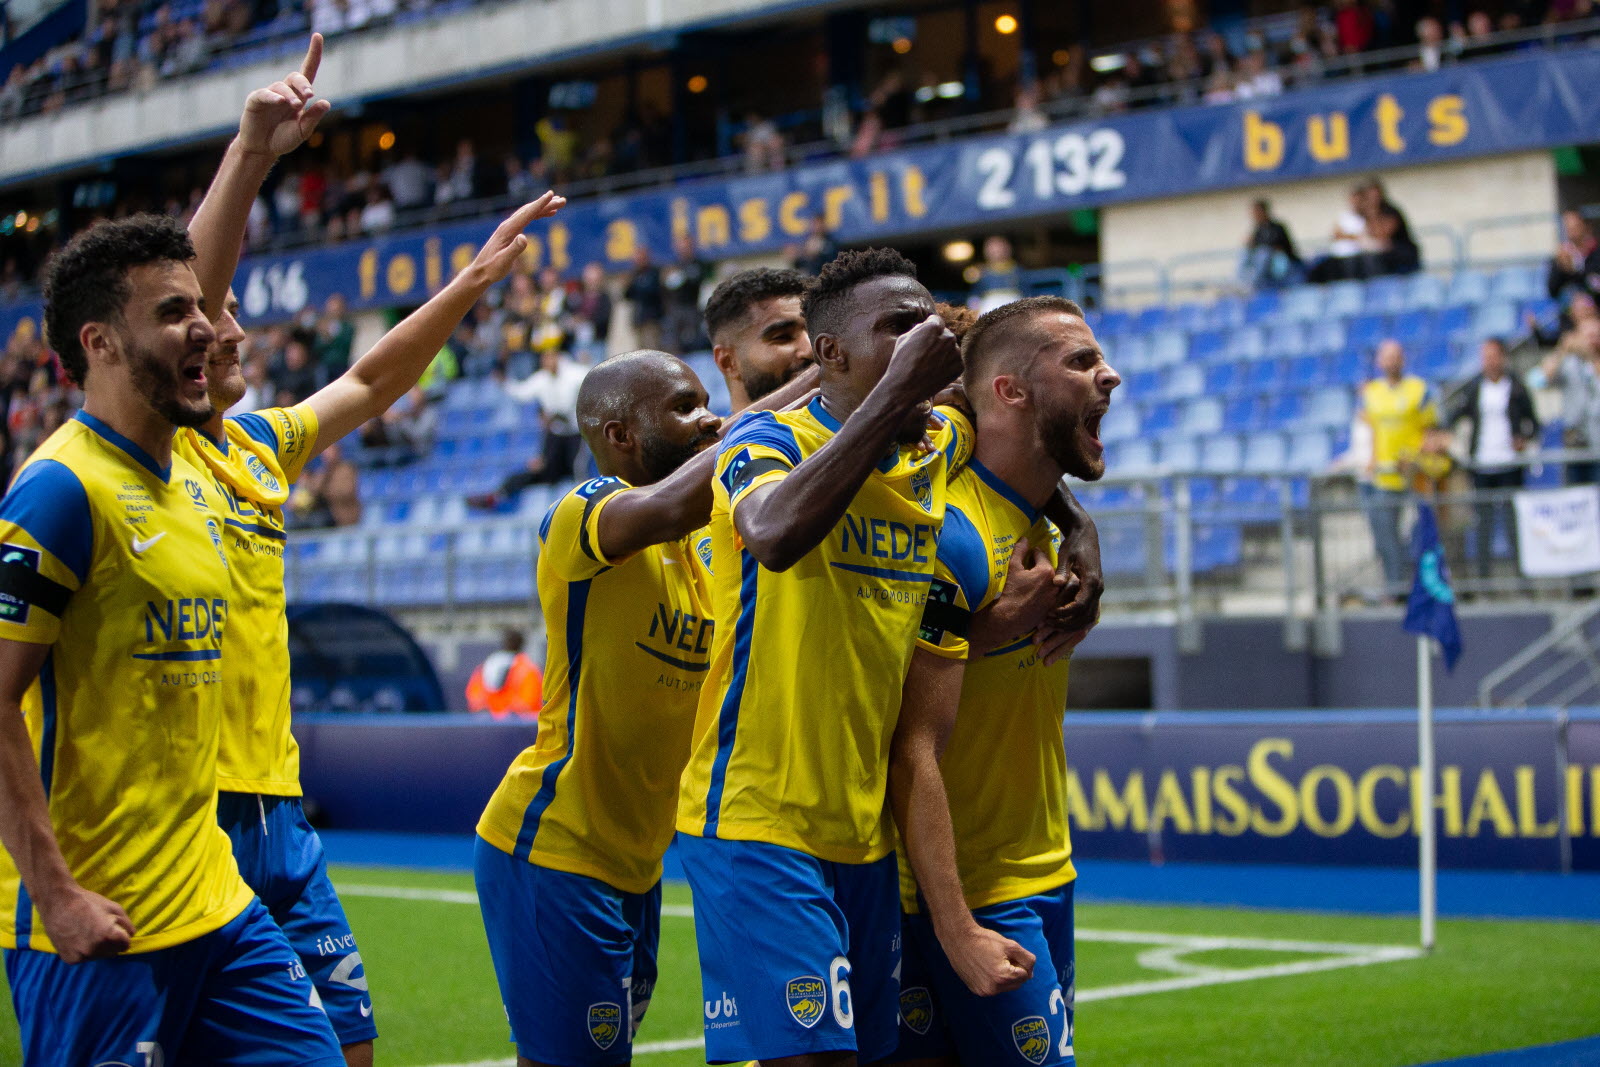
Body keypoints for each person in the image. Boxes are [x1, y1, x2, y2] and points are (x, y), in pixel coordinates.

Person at [674, 249, 1099, 1065]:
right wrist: (900, 390)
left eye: (927, 322)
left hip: (865, 834)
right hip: (757, 815)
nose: (923, 338)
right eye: (898, 328)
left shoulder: (936, 438)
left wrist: (1079, 527)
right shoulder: (765, 440)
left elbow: (1032, 447)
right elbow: (772, 534)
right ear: (832, 356)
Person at [0, 212, 346, 1065]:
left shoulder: (195, 492)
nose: (205, 326)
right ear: (101, 344)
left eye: (202, 304)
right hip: (100, 925)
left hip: (218, 905)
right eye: (172, 312)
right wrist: (56, 893)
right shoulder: (59, 492)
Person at [474, 349, 818, 1065]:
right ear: (620, 434)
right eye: (683, 407)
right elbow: (671, 500)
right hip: (555, 848)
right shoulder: (582, 515)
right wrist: (829, 385)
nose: (710, 418)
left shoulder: (704, 542)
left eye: (706, 401)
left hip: (636, 866)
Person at [889, 295, 1116, 1067]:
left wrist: (1081, 526)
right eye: (1081, 361)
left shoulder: (1048, 527)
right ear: (1010, 391)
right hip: (971, 892)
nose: (1109, 375)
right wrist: (955, 924)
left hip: (1046, 866)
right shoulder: (946, 532)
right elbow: (906, 740)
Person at [1446, 337, 1540, 579]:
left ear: (1503, 357)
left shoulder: (1516, 387)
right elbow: (1454, 415)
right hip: (1482, 465)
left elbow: (1534, 423)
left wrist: (1523, 438)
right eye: (1484, 356)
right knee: (1483, 525)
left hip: (1509, 464)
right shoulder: (1475, 388)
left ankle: (1522, 578)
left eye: (1492, 356)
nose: (1488, 361)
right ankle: (1483, 580)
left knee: (1512, 525)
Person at [1360, 340, 1438, 597]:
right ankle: (1395, 589)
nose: (1391, 361)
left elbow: (1432, 431)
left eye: (1396, 356)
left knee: (1422, 533)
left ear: (1403, 359)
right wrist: (1371, 460)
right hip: (1385, 478)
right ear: (1379, 362)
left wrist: (1419, 458)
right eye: (1386, 357)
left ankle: (1423, 585)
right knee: (1385, 537)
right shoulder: (1371, 393)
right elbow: (1371, 431)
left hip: (1415, 476)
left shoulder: (1419, 389)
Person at [468, 348, 591, 510]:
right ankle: (495, 497)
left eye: (551, 357)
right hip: (556, 434)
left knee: (578, 468)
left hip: (576, 433)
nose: (548, 362)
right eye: (545, 359)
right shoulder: (541, 379)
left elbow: (592, 378)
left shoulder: (574, 374)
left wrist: (588, 362)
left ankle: (587, 505)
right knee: (537, 470)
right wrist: (504, 382)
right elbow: (521, 392)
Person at [704, 266, 813, 415]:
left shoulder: (847, 427)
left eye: (815, 333)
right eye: (782, 337)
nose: (811, 349)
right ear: (728, 362)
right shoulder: (728, 438)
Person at [465, 627, 542, 718]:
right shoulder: (530, 669)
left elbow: (529, 704)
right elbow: (476, 699)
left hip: (516, 725)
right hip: (498, 724)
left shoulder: (486, 666)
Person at [662, 234, 711, 352]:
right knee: (672, 342)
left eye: (686, 246)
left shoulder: (699, 264)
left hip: (692, 308)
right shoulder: (674, 265)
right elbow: (667, 287)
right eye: (681, 246)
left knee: (692, 340)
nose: (684, 249)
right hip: (675, 309)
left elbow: (700, 283)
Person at [1243, 198, 1303, 290]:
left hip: (1283, 263)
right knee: (1245, 253)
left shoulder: (1277, 227)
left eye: (1257, 212)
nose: (1254, 216)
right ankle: (1244, 281)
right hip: (1267, 267)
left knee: (1264, 254)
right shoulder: (1258, 230)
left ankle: (1254, 282)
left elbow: (1276, 246)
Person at [1546, 209, 1600, 305]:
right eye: (1568, 227)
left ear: (1585, 226)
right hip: (1571, 312)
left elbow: (1595, 286)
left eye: (1575, 226)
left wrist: (1574, 271)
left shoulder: (1596, 253)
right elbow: (1552, 291)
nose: (1572, 231)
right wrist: (1561, 269)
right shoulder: (1562, 255)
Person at [969, 235, 1024, 314]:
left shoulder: (1017, 271)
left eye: (1000, 248)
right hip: (989, 307)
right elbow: (975, 295)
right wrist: (974, 310)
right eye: (993, 249)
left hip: (1014, 305)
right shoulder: (982, 272)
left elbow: (1025, 291)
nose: (997, 251)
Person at [624, 247, 665, 351]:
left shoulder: (654, 273)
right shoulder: (635, 275)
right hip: (638, 319)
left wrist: (639, 286)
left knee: (652, 351)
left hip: (651, 320)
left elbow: (652, 291)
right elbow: (627, 295)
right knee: (640, 352)